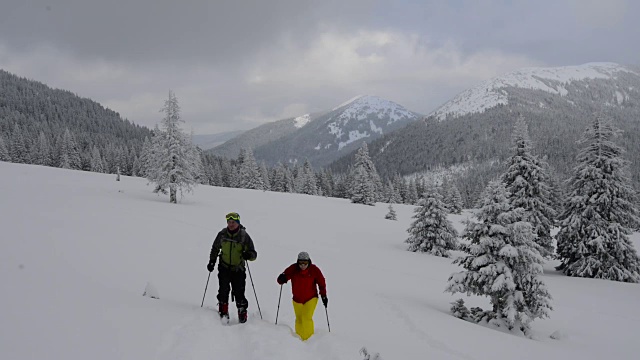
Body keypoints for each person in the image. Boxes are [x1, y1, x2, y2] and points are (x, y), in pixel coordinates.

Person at [207, 212, 257, 323]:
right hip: (224, 267)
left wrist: (248, 255)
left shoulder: (244, 236)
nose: (231, 224)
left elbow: (253, 254)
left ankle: (242, 314)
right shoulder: (222, 235)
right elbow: (215, 248)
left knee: (239, 292)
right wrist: (212, 262)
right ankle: (223, 313)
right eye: (229, 222)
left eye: (233, 222)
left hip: (238, 269)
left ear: (238, 223)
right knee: (223, 291)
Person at [277, 251, 327, 340]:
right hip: (297, 299)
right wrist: (282, 278)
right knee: (299, 319)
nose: (303, 266)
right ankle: (299, 338)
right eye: (300, 263)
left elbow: (321, 282)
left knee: (306, 318)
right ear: (298, 262)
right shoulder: (293, 269)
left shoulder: (314, 270)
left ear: (309, 262)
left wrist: (323, 295)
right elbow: (284, 276)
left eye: (305, 263)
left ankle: (309, 339)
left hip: (311, 298)